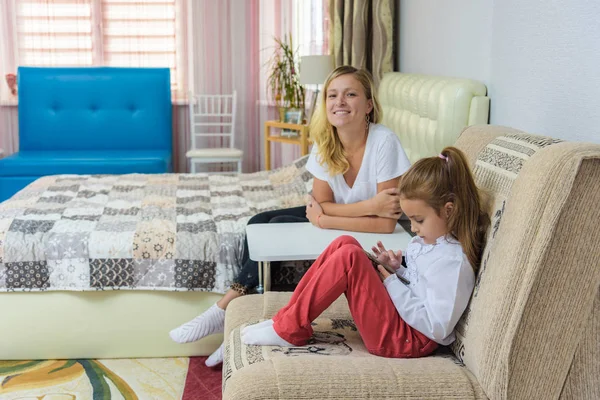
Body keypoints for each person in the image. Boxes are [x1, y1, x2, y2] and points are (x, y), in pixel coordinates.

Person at [169, 66, 411, 366]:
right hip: (345, 220)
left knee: (280, 237)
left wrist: (328, 219)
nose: (340, 102)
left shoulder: (384, 142)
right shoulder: (327, 142)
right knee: (259, 223)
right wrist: (366, 206)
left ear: (369, 104)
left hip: (369, 233)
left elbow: (386, 222)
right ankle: (230, 311)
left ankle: (226, 312)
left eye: (351, 94)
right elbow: (320, 203)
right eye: (332, 95)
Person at [241, 147, 490, 358]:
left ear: (449, 210)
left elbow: (435, 326)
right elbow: (420, 284)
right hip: (401, 321)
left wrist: (392, 283)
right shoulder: (432, 242)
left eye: (419, 220)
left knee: (351, 258)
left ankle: (287, 329)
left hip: (407, 340)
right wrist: (397, 269)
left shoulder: (453, 263)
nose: (413, 228)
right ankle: (285, 320)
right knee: (345, 243)